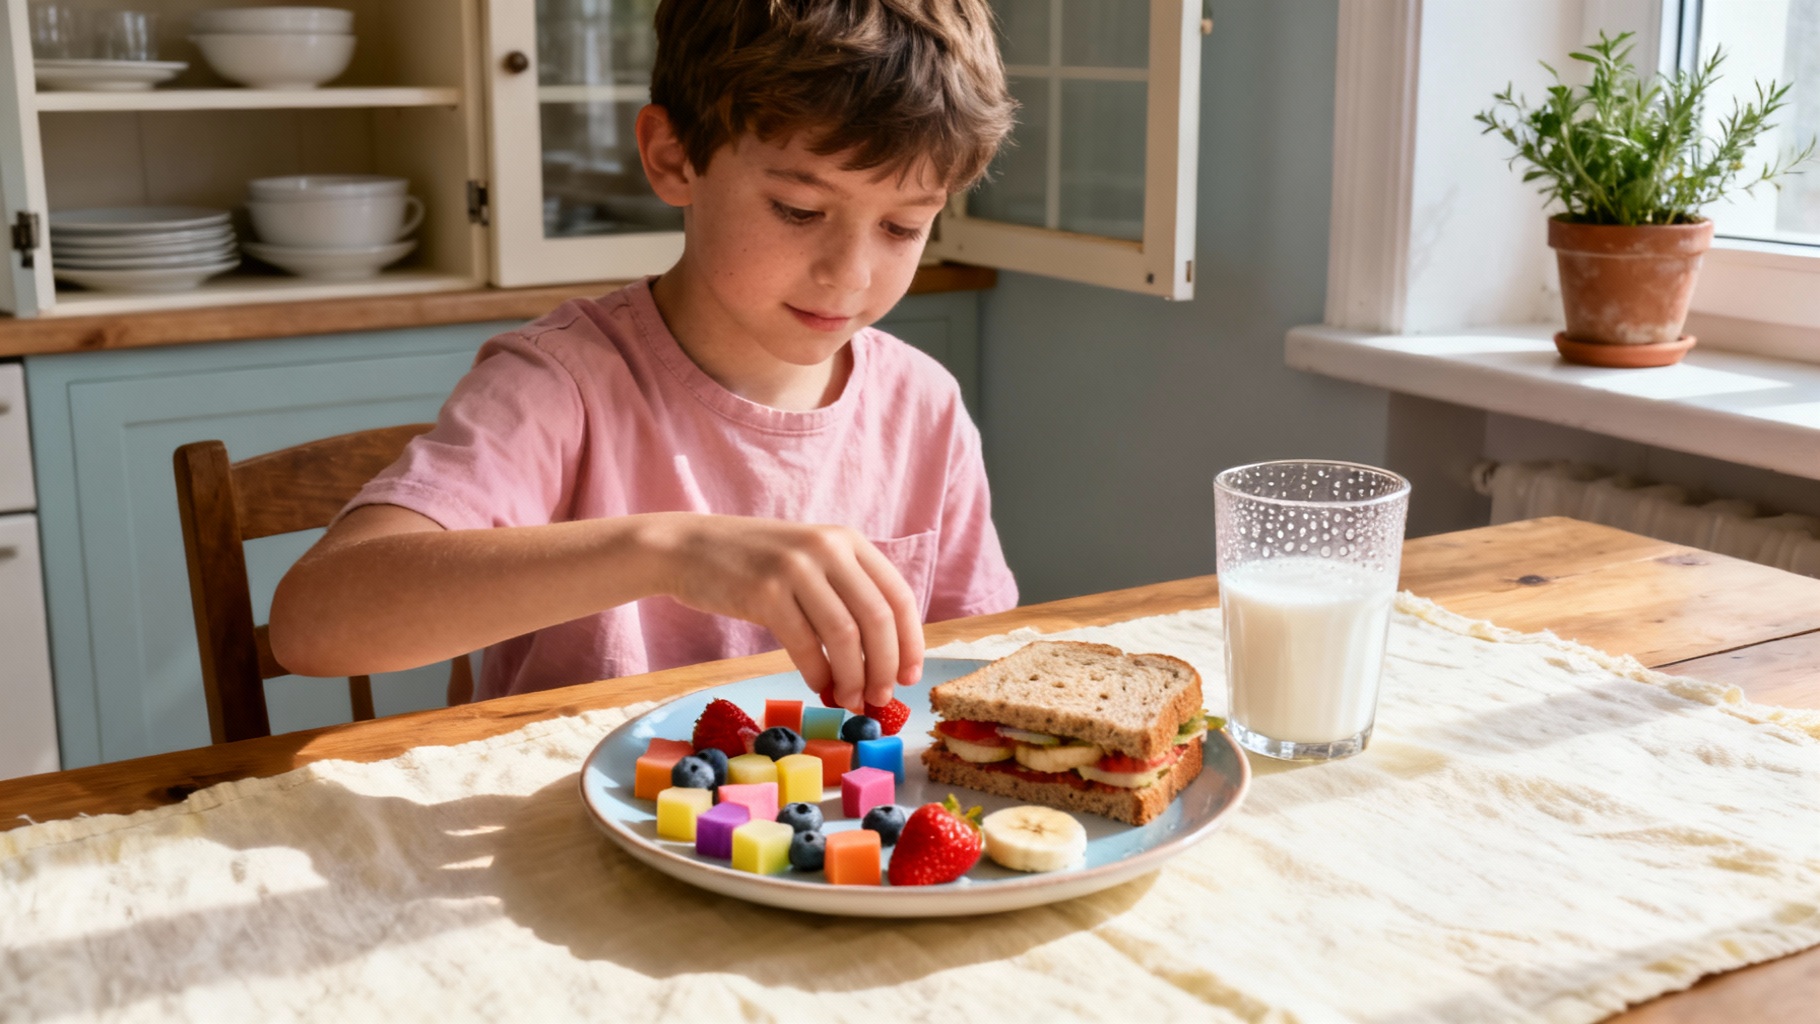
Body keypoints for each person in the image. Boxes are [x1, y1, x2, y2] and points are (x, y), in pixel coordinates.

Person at [269, 0, 1020, 713]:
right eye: (800, 210)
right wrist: (670, 550)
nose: (849, 275)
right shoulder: (559, 386)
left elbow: (976, 661)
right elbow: (315, 623)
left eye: (902, 226)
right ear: (672, 157)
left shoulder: (923, 404)